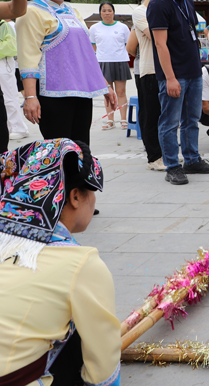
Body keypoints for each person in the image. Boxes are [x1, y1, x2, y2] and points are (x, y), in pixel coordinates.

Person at [0, 138, 120, 386]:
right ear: (75, 197)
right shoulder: (80, 262)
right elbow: (103, 372)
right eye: (93, 194)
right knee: (81, 334)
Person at [18, 0, 116, 147]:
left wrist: (105, 86)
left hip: (81, 93)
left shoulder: (73, 12)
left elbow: (86, 54)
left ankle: (80, 178)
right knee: (59, 151)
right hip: (52, 96)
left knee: (81, 149)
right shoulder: (31, 12)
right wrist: (30, 97)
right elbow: (28, 56)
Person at [147, 0, 209, 185]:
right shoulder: (159, 3)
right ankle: (172, 165)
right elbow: (160, 44)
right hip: (174, 74)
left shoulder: (186, 0)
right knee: (170, 121)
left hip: (194, 71)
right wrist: (170, 78)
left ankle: (192, 159)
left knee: (191, 119)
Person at [132, 0, 166, 171]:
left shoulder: (162, 10)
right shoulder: (140, 12)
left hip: (165, 68)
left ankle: (163, 153)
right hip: (149, 69)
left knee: (164, 114)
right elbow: (155, 35)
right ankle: (153, 157)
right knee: (150, 114)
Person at [88, 1, 132, 131]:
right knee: (107, 93)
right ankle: (110, 120)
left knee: (121, 92)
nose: (107, 13)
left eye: (109, 10)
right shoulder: (94, 28)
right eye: (104, 10)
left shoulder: (123, 27)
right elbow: (93, 45)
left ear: (113, 12)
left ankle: (123, 120)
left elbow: (127, 45)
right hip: (102, 62)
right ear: (100, 13)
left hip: (120, 61)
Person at [0, 18, 27, 140]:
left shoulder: (4, 25)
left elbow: (11, 46)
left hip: (4, 64)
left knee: (9, 97)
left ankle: (18, 128)